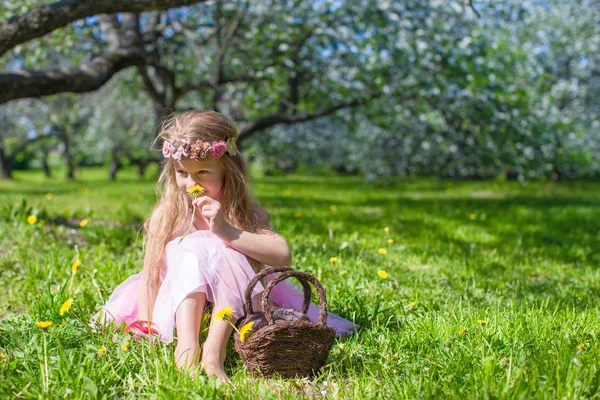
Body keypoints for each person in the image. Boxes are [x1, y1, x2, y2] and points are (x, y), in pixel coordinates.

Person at [92, 110, 357, 382]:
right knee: (191, 246)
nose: (191, 183)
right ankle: (186, 347)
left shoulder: (245, 212)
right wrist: (147, 323)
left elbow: (282, 256)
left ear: (228, 170)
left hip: (235, 299)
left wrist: (224, 230)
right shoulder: (168, 213)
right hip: (179, 298)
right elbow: (152, 272)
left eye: (203, 172)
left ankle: (213, 351)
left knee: (218, 246)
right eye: (182, 173)